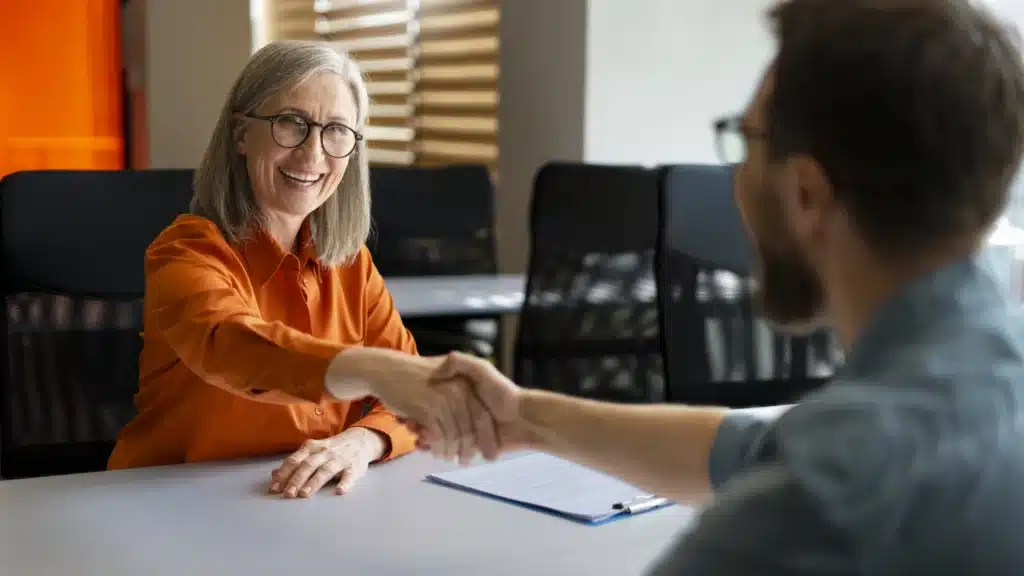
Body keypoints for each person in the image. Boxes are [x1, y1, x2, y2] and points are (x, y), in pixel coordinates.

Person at [416, 0, 1024, 573]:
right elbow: (752, 449)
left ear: (807, 194)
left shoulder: (831, 495)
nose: (736, 174)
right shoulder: (974, 379)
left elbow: (810, 469)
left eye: (748, 141)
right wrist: (527, 416)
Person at [108, 40, 459, 499]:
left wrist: (363, 440)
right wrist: (374, 369)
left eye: (336, 130)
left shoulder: (352, 264)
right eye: (291, 124)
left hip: (301, 504)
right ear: (240, 134)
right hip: (171, 503)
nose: (313, 154)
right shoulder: (186, 252)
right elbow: (234, 349)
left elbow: (415, 400)